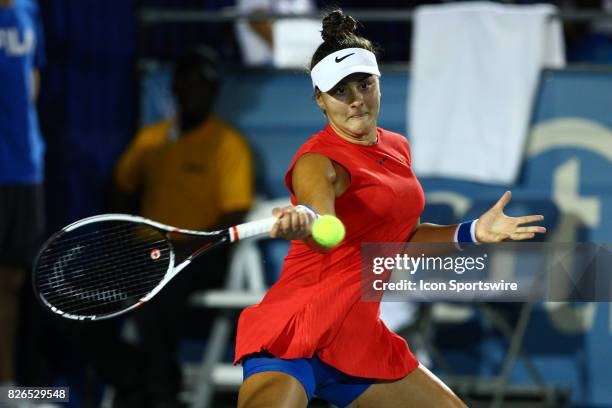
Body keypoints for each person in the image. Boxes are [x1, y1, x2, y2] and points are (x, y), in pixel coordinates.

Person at [233, 9, 547, 408]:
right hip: (298, 330)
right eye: (340, 92)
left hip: (359, 339)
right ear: (320, 100)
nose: (357, 101)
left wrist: (471, 233)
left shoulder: (396, 147)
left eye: (364, 85)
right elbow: (322, 222)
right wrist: (306, 224)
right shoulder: (317, 160)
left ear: (379, 83)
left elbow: (401, 241)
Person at [114, 48, 254, 407]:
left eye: (204, 84)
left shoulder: (229, 145)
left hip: (199, 255)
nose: (195, 91)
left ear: (215, 92)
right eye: (188, 82)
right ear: (174, 88)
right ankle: (131, 380)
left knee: (155, 300)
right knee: (74, 300)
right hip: (142, 252)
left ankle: (162, 395)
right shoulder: (151, 140)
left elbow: (234, 216)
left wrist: (188, 248)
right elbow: (118, 190)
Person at [0, 0, 46, 392]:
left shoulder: (29, 10)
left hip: (25, 168)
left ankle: (7, 386)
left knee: (12, 279)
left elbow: (32, 81)